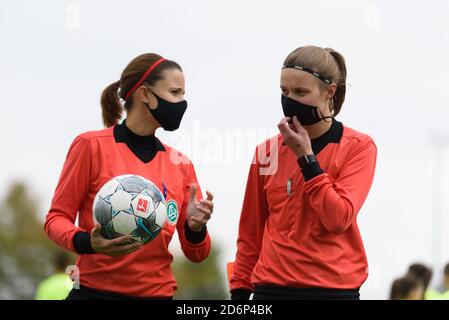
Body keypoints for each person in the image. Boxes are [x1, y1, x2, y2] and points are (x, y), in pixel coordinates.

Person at [44, 53, 214, 299]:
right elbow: (55, 219)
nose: (182, 103)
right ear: (145, 94)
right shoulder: (90, 146)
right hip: (93, 293)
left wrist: (195, 229)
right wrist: (88, 243)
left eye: (183, 95)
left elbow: (197, 254)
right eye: (175, 93)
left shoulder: (181, 164)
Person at [230, 45, 377, 300]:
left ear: (329, 91)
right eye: (284, 91)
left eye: (301, 92)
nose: (289, 100)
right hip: (271, 291)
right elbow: (250, 234)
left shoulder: (359, 148)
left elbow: (338, 219)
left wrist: (306, 160)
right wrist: (240, 293)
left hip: (334, 292)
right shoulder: (267, 152)